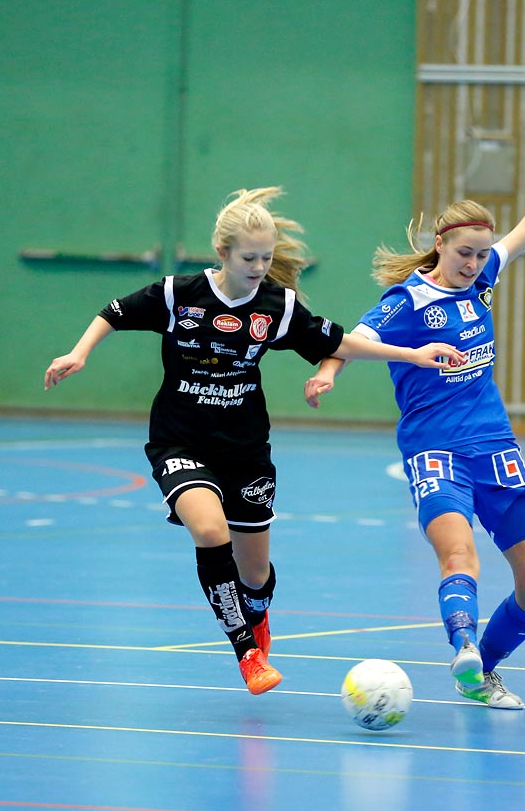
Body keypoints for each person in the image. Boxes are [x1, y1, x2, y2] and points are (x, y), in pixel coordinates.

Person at [43, 187, 464, 695]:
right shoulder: (179, 295)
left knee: (255, 574)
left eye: (266, 257)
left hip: (245, 450)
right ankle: (246, 653)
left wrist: (412, 354)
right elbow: (115, 311)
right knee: (210, 531)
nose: (260, 266)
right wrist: (79, 352)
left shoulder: (277, 306)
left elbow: (336, 342)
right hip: (179, 442)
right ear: (221, 253)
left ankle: (258, 615)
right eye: (249, 257)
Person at [305, 108, 525, 710]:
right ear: (440, 245)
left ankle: (483, 670)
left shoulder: (485, 279)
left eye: (481, 255)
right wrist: (328, 370)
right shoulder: (409, 300)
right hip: (434, 448)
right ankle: (464, 646)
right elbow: (350, 338)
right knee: (458, 551)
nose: (474, 264)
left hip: (496, 448)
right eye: (464, 253)